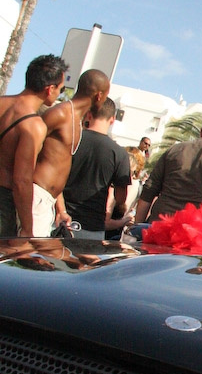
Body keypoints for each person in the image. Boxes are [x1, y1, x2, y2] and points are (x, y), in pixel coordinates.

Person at [32, 68, 110, 237]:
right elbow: (28, 151)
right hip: (36, 197)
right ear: (99, 95)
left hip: (48, 202)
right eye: (106, 95)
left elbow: (58, 167)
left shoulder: (76, 121)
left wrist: (61, 209)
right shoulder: (59, 114)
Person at [134, 110, 202, 224]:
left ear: (201, 131)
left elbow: (148, 192)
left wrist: (137, 226)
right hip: (198, 230)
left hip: (159, 226)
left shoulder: (174, 150)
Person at [0, 54, 66, 238]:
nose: (60, 94)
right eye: (60, 89)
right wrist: (27, 228)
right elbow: (21, 180)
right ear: (49, 89)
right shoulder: (33, 125)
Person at [61, 97, 131, 240]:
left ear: (88, 114)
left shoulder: (71, 140)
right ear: (112, 119)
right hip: (92, 226)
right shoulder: (119, 153)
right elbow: (121, 198)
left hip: (61, 219)